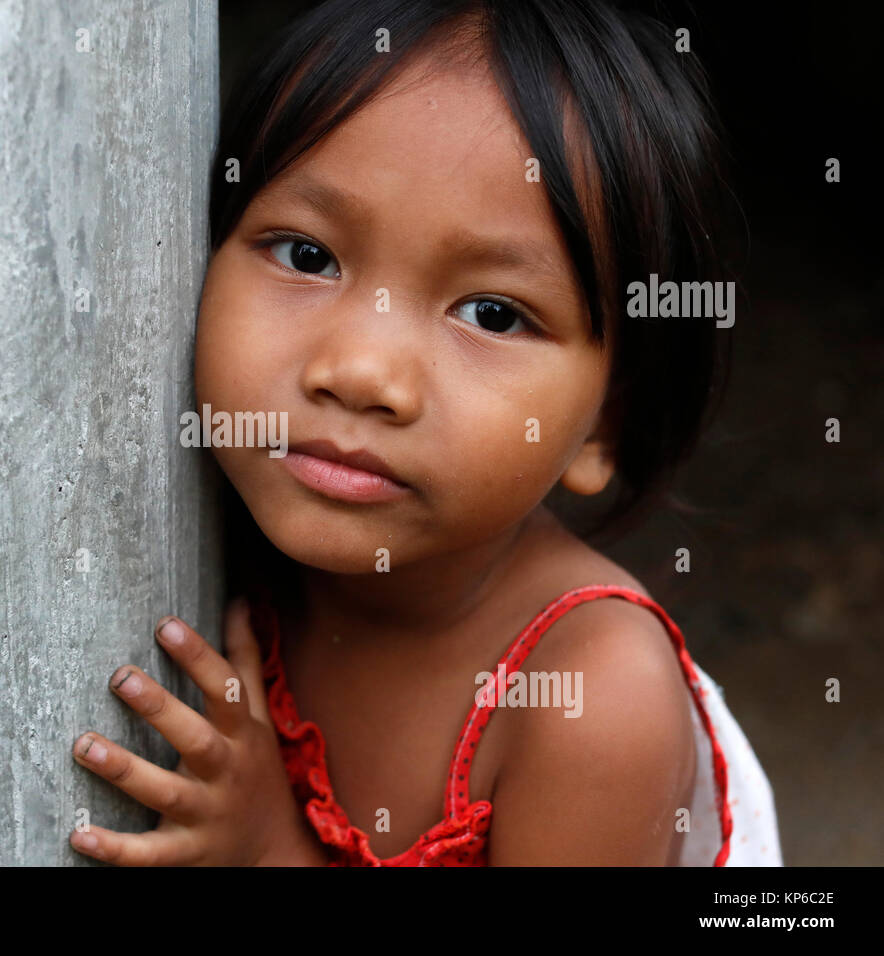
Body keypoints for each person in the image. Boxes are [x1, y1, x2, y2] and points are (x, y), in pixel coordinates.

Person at [68, 0, 781, 866]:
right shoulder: (213, 510)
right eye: (306, 254)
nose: (364, 372)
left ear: (604, 426)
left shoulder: (587, 701)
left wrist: (267, 852)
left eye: (492, 313)